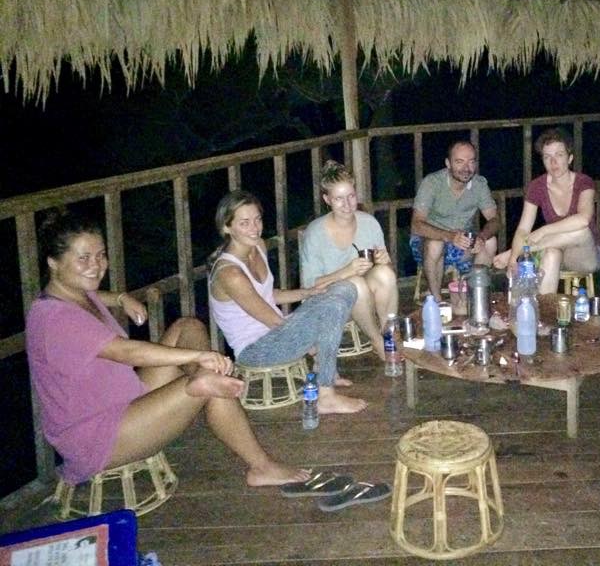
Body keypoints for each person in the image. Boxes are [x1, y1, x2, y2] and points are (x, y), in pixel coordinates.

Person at [25, 211, 309, 488]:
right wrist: (199, 357)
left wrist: (121, 298)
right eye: (84, 258)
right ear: (53, 263)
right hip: (97, 438)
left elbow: (93, 294)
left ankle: (208, 393)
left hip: (126, 399)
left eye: (101, 255)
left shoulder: (76, 294)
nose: (96, 266)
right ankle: (260, 465)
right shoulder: (55, 318)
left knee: (188, 328)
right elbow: (127, 352)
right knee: (205, 380)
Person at [208, 190, 367, 415]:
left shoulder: (258, 246)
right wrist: (314, 343)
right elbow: (273, 320)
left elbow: (268, 295)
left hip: (279, 332)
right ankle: (326, 394)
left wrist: (308, 293)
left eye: (257, 220)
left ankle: (325, 371)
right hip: (257, 350)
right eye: (244, 223)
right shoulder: (230, 273)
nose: (254, 228)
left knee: (345, 288)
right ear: (227, 227)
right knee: (330, 306)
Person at [300, 160, 398, 359]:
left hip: (365, 298)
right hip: (327, 301)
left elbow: (387, 274)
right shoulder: (315, 232)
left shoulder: (369, 223)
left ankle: (389, 333)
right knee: (356, 284)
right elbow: (310, 286)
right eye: (339, 198)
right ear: (327, 199)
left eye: (351, 196)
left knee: (385, 274)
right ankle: (377, 340)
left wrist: (384, 262)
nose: (347, 204)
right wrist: (347, 271)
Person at [493, 128, 600, 293]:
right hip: (554, 248)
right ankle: (545, 307)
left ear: (570, 158)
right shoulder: (537, 186)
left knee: (582, 231)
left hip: (585, 255)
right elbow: (523, 229)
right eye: (547, 157)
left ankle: (527, 249)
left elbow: (583, 219)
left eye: (559, 155)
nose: (553, 162)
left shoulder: (583, 182)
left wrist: (543, 231)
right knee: (551, 254)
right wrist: (513, 260)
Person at [411, 140, 500, 301]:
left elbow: (495, 220)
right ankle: (437, 301)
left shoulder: (479, 184)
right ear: (448, 163)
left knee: (490, 242)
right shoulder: (432, 183)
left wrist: (482, 237)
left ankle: (475, 295)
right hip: (428, 241)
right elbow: (417, 225)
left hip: (462, 241)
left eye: (471, 162)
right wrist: (449, 236)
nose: (466, 168)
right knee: (435, 244)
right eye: (459, 162)